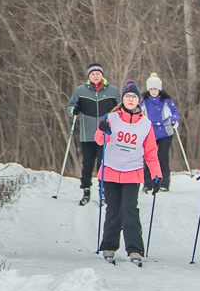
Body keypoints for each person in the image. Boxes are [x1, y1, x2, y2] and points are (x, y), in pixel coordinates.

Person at [93, 80, 162, 265]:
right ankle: (108, 246)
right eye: (127, 96)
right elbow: (99, 141)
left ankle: (135, 249)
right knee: (113, 209)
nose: (130, 99)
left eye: (134, 96)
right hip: (111, 171)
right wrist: (102, 129)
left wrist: (156, 175)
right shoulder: (112, 118)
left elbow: (151, 153)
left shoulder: (146, 124)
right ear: (122, 99)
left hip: (133, 172)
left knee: (130, 209)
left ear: (138, 100)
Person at [67, 64, 121, 206]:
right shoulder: (80, 91)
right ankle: (86, 190)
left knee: (103, 164)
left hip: (105, 135)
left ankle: (103, 192)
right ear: (89, 76)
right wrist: (74, 110)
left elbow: (120, 109)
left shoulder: (113, 91)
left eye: (98, 73)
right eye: (93, 74)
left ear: (102, 75)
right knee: (87, 164)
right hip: (87, 134)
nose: (96, 76)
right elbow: (70, 107)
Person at [141, 73, 181, 193]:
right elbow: (138, 113)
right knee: (149, 157)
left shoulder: (166, 100)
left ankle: (164, 183)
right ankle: (148, 183)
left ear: (159, 89)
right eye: (151, 89)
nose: (153, 91)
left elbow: (174, 111)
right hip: (150, 132)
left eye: (156, 89)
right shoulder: (145, 102)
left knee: (163, 157)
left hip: (165, 132)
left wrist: (174, 120)